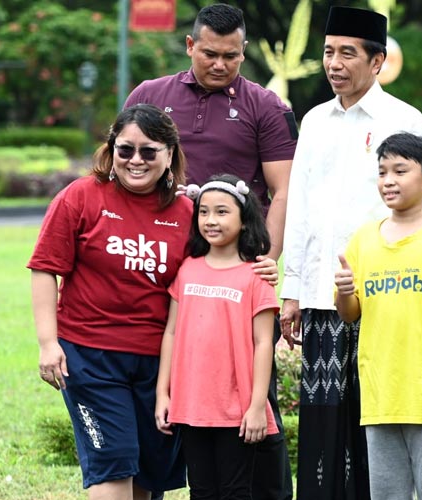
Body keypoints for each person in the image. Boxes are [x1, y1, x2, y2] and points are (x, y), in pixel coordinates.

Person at [27, 104, 278, 500]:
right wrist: (48, 342)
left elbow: (220, 261)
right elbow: (45, 267)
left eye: (149, 151)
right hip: (91, 356)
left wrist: (262, 270)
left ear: (170, 155)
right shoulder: (81, 197)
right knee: (114, 460)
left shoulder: (186, 212)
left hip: (161, 364)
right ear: (111, 150)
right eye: (125, 150)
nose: (136, 161)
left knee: (149, 474)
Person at [125, 5, 297, 497]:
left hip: (232, 270)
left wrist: (265, 259)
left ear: (243, 52)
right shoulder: (151, 96)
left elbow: (281, 190)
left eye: (232, 56)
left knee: (249, 383)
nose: (220, 64)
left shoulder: (265, 105)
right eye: (209, 54)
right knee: (160, 378)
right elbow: (128, 166)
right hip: (159, 267)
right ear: (189, 46)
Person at [279, 6, 422, 500]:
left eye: (348, 53)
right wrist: (293, 291)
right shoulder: (316, 121)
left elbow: (416, 215)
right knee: (323, 428)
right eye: (328, 52)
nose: (334, 63)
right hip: (323, 297)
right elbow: (300, 208)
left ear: (378, 60)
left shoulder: (404, 120)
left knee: (374, 421)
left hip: (383, 297)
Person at [334, 132, 422, 500]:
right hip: (381, 395)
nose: (388, 181)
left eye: (400, 171)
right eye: (382, 172)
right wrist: (345, 291)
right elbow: (350, 315)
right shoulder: (364, 240)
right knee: (386, 494)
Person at [156, 174, 280, 499]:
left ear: (244, 220)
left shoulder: (256, 276)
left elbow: (264, 343)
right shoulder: (187, 270)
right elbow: (171, 331)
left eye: (222, 212)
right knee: (201, 491)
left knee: (235, 491)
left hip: (236, 411)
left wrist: (257, 406)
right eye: (204, 211)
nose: (211, 220)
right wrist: (163, 393)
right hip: (191, 405)